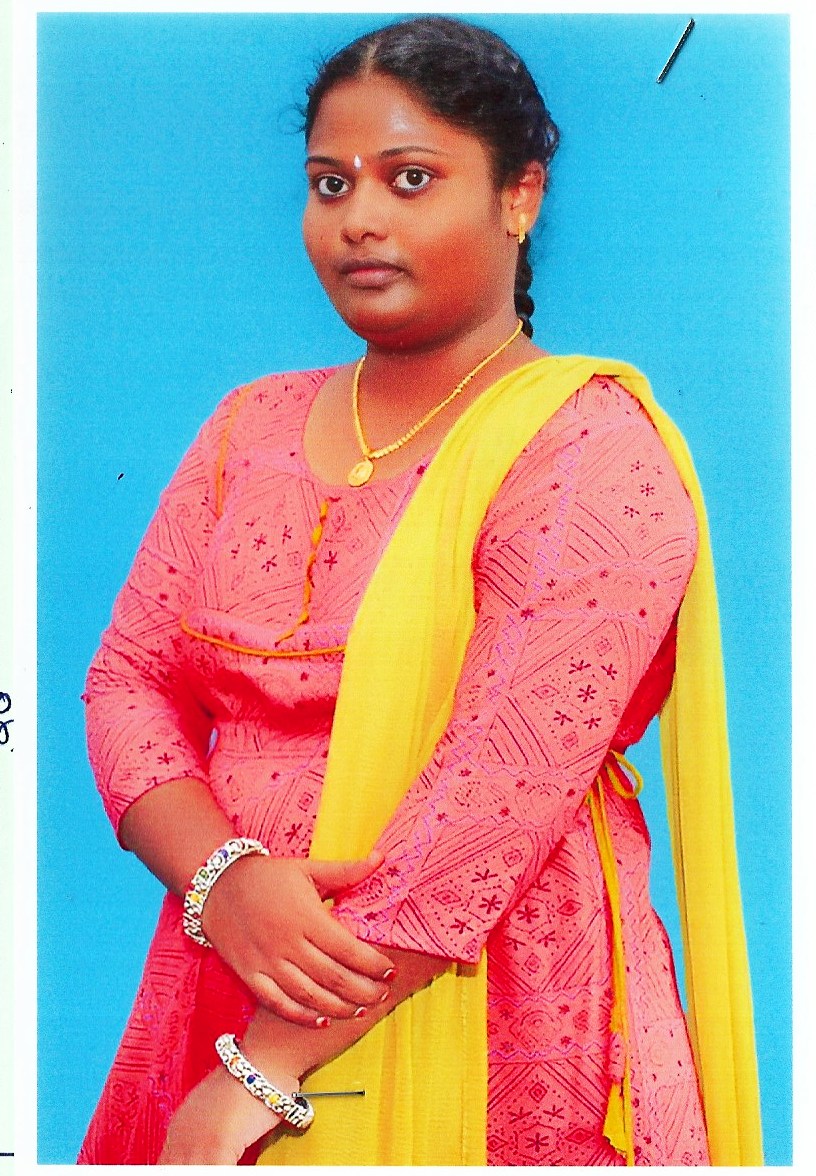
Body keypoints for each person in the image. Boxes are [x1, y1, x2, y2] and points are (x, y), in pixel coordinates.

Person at [78, 15, 762, 1167]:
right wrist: (224, 879)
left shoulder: (587, 448)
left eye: (410, 179)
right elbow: (126, 680)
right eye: (330, 183)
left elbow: (496, 797)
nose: (360, 218)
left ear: (519, 196)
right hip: (227, 960)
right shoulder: (246, 427)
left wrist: (261, 1073)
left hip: (487, 1002)